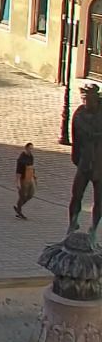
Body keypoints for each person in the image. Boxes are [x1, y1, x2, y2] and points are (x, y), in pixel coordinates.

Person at [70, 83, 102, 232]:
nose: (84, 103)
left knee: (99, 200)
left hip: (100, 164)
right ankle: (72, 223)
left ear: (95, 99)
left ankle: (94, 229)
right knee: (76, 194)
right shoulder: (80, 114)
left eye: (87, 99)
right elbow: (75, 139)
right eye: (83, 99)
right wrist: (77, 158)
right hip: (85, 162)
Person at [15, 142, 36, 219]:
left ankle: (18, 206)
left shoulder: (31, 156)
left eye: (32, 149)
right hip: (24, 179)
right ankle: (19, 210)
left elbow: (32, 167)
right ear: (26, 148)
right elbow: (18, 172)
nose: (31, 150)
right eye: (30, 148)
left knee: (31, 194)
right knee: (23, 195)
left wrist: (34, 175)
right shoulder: (21, 159)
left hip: (30, 178)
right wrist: (18, 183)